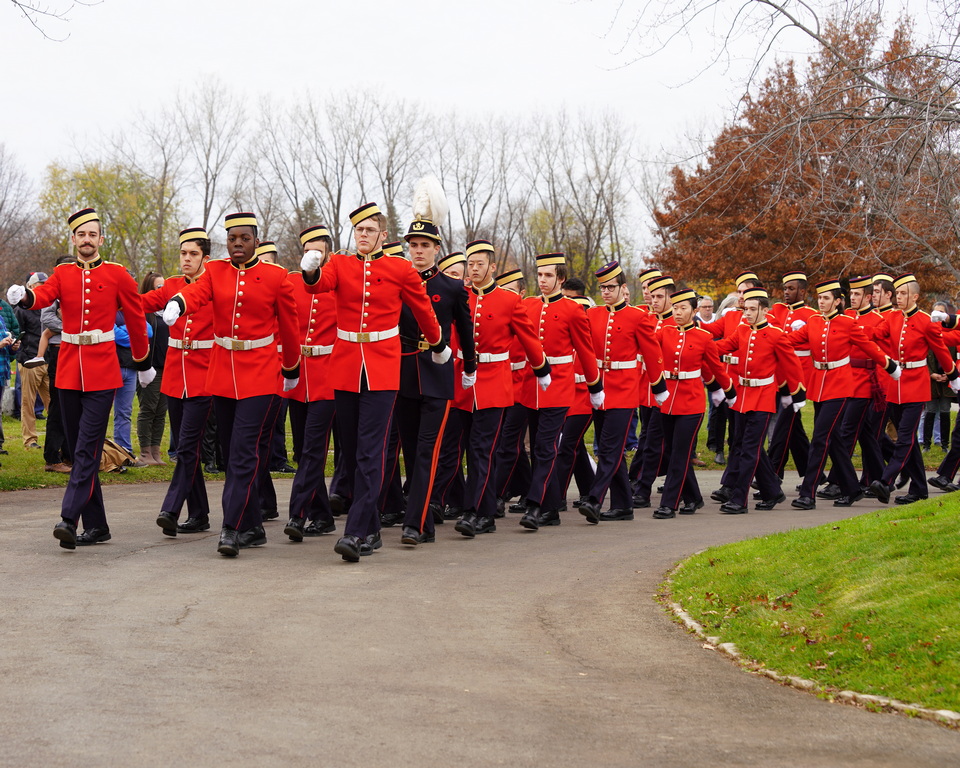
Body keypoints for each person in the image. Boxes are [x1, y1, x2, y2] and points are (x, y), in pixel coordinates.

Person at [299, 202, 446, 562]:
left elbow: (423, 308)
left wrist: (438, 342)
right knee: (350, 451)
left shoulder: (400, 269)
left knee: (370, 451)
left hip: (382, 367)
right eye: (358, 230)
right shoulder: (342, 265)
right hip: (347, 365)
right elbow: (321, 286)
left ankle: (356, 531)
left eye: (369, 230)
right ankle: (373, 532)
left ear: (383, 234)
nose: (362, 235)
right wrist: (311, 272)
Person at [6, 207, 154, 549]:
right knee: (78, 450)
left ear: (101, 239)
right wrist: (26, 296)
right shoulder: (62, 273)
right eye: (81, 234)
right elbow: (43, 297)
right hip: (69, 370)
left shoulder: (118, 274)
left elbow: (134, 317)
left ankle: (69, 518)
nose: (86, 240)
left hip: (103, 372)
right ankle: (98, 525)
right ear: (73, 239)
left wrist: (143, 360)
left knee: (86, 448)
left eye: (92, 234)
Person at [163, 211, 301, 556]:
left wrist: (291, 367)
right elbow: (197, 294)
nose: (237, 245)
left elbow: (289, 325)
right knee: (232, 453)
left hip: (261, 373)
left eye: (244, 239)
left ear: (256, 240)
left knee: (241, 453)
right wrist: (178, 303)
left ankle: (232, 526)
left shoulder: (275, 276)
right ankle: (253, 527)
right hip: (223, 373)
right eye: (232, 239)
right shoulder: (215, 271)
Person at [452, 239, 550, 538]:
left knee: (483, 449)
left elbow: (529, 336)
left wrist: (541, 367)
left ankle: (474, 512)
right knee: (470, 448)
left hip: (495, 381)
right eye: (471, 264)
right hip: (464, 381)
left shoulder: (509, 301)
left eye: (480, 264)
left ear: (492, 267)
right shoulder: (462, 295)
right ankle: (485, 512)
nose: (474, 269)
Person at [394, 212, 475, 545]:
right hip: (404, 373)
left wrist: (470, 366)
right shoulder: (397, 281)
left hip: (439, 375)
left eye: (424, 245)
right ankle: (424, 521)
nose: (417, 251)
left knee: (429, 451)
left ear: (437, 248)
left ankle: (412, 523)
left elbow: (466, 331)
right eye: (413, 245)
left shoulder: (451, 287)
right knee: (411, 454)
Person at [785, 279, 899, 509]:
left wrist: (889, 365)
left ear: (838, 301)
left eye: (827, 298)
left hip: (840, 384)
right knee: (835, 440)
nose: (822, 302)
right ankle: (852, 488)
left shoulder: (847, 323)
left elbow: (869, 346)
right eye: (820, 298)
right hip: (819, 384)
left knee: (820, 438)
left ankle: (808, 492)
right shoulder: (814, 321)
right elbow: (790, 340)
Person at [515, 253, 602, 530]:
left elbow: (586, 351)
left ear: (561, 278)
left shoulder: (573, 309)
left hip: (559, 385)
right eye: (540, 275)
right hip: (532, 386)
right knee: (541, 449)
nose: (543, 281)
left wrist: (594, 385)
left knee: (545, 447)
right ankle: (551, 507)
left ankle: (535, 504)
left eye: (549, 276)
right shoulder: (528, 306)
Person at [140, 227, 215, 535]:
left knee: (186, 446)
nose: (186, 259)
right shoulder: (171, 285)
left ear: (205, 258)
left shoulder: (215, 285)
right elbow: (141, 302)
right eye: (183, 253)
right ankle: (199, 514)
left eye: (193, 254)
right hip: (176, 375)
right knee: (189, 449)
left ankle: (170, 508)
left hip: (205, 374)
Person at [579, 261, 666, 524]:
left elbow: (652, 353)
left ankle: (594, 498)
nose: (605, 292)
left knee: (609, 448)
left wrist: (658, 386)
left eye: (610, 287)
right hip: (599, 389)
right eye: (602, 287)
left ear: (623, 287)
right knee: (612, 450)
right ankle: (623, 505)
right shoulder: (593, 314)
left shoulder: (638, 317)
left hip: (625, 390)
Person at [868, 274, 960, 505]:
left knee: (905, 437)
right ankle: (919, 488)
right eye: (897, 293)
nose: (899, 298)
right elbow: (875, 334)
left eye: (903, 293)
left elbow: (940, 350)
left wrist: (954, 377)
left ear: (916, 296)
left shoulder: (925, 320)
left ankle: (887, 480)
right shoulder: (893, 317)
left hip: (916, 384)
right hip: (896, 382)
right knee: (907, 440)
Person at [713, 288, 805, 513]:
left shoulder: (775, 334)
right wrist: (698, 345)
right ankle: (773, 492)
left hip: (764, 397)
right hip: (743, 395)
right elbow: (723, 345)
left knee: (749, 449)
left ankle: (739, 499)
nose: (748, 314)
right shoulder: (743, 329)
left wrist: (797, 394)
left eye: (753, 310)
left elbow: (792, 364)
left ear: (765, 310)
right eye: (746, 309)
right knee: (748, 447)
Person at [650, 288, 733, 519]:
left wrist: (728, 391)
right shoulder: (665, 332)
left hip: (691, 403)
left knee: (679, 454)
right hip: (667, 400)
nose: (677, 312)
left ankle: (669, 503)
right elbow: (647, 345)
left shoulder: (704, 337)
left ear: (694, 311)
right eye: (675, 308)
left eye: (682, 308)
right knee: (672, 452)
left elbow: (715, 368)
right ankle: (694, 497)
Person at [284, 225, 339, 541]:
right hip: (299, 374)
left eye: (318, 251)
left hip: (328, 375)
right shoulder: (292, 281)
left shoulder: (337, 282)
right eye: (308, 251)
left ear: (328, 252)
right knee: (304, 449)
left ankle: (297, 513)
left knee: (314, 449)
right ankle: (322, 516)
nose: (313, 256)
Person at [767, 271, 817, 483]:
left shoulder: (810, 315)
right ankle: (812, 473)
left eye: (791, 289)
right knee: (794, 428)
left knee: (783, 425)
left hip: (799, 375)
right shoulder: (777, 310)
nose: (786, 293)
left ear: (803, 291)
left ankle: (771, 474)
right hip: (780, 374)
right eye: (785, 289)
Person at [14, 271, 51, 450]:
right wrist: (23, 356)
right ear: (31, 287)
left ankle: (57, 437)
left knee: (54, 401)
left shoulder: (49, 306)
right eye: (40, 285)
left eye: (46, 284)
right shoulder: (22, 309)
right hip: (29, 360)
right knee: (28, 402)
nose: (44, 287)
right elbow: (16, 335)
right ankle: (30, 440)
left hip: (48, 360)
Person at [137, 271, 169, 465]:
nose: (162, 290)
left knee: (161, 410)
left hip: (167, 367)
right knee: (148, 409)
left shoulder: (169, 311)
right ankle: (145, 452)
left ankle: (156, 451)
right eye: (158, 287)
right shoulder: (144, 312)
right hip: (150, 367)